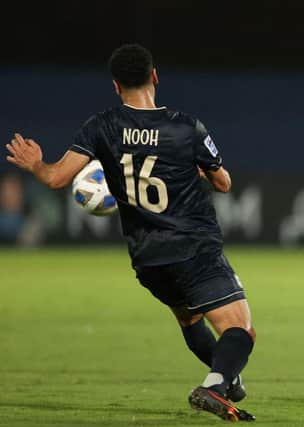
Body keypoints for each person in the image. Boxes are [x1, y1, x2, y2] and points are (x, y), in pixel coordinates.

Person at [5, 44, 256, 422]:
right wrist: (202, 172)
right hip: (193, 247)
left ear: (115, 85)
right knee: (241, 330)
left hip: (149, 259)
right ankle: (216, 384)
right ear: (155, 76)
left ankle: (226, 379)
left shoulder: (102, 126)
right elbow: (224, 183)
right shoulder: (185, 126)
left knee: (190, 320)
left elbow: (56, 178)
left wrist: (36, 164)